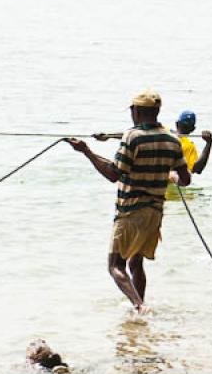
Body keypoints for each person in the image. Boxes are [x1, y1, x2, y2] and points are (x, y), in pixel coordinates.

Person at [66, 89, 191, 312]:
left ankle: (139, 306)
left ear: (139, 111)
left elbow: (114, 174)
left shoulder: (132, 137)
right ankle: (138, 313)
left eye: (133, 110)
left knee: (115, 265)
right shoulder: (173, 139)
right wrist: (169, 175)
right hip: (155, 212)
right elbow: (186, 179)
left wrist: (86, 151)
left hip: (130, 211)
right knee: (136, 262)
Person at [166, 110, 212, 192]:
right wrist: (208, 144)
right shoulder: (189, 146)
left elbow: (197, 169)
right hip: (173, 183)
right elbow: (197, 169)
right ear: (193, 129)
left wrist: (208, 144)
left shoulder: (163, 131)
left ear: (177, 123)